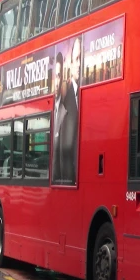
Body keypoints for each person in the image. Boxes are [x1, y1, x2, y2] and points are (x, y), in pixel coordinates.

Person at [58, 37, 81, 184]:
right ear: (71, 64)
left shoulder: (85, 94)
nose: (79, 64)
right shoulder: (65, 100)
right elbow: (64, 151)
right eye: (76, 59)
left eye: (81, 58)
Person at [51, 52, 67, 182]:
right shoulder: (46, 113)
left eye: (58, 76)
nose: (56, 83)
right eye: (54, 77)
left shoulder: (65, 112)